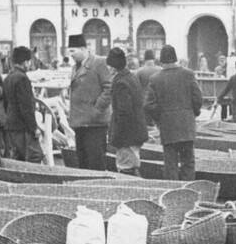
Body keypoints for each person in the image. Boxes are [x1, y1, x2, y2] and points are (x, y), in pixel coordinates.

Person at [145, 44, 203, 180]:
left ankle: (174, 196)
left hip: (168, 128)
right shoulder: (188, 74)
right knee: (188, 162)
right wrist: (192, 113)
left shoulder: (155, 79)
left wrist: (160, 120)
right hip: (186, 126)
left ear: (161, 60)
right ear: (175, 58)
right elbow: (198, 98)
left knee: (170, 165)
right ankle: (189, 194)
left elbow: (148, 105)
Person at [67, 34, 112, 170]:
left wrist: (96, 110)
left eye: (72, 51)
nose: (70, 55)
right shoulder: (76, 67)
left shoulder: (99, 62)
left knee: (96, 163)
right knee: (83, 163)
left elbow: (109, 87)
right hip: (80, 123)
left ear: (83, 48)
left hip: (94, 124)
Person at [107, 47, 148, 176]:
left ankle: (136, 193)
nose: (108, 69)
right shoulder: (131, 77)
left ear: (113, 67)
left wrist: (117, 136)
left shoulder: (120, 83)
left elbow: (123, 113)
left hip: (127, 136)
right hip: (135, 132)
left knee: (125, 168)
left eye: (109, 66)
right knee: (132, 165)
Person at [3, 46, 43, 163]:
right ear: (25, 62)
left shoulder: (8, 77)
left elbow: (5, 103)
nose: (30, 65)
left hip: (11, 125)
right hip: (23, 127)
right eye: (29, 62)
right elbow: (26, 107)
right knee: (34, 157)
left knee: (18, 159)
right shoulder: (22, 78)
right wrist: (34, 128)